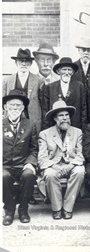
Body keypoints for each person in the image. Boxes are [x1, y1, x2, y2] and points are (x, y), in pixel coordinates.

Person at [38, 100, 85, 220]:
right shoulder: (45, 134)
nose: (64, 118)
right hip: (54, 166)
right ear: (54, 118)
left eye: (66, 115)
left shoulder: (77, 132)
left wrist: (70, 166)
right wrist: (55, 166)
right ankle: (57, 209)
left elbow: (80, 154)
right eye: (61, 115)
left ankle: (68, 208)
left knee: (80, 171)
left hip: (71, 165)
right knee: (49, 174)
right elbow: (42, 157)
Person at [2, 90, 38, 226]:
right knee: (3, 176)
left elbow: (34, 149)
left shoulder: (30, 124)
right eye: (11, 105)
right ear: (5, 107)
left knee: (29, 175)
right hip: (4, 165)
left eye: (18, 105)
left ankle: (23, 209)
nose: (15, 108)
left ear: (23, 108)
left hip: (23, 164)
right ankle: (9, 210)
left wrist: (30, 163)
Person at [41, 57, 87, 130]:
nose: (66, 72)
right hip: (55, 127)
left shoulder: (79, 86)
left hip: (75, 127)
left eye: (69, 70)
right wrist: (46, 129)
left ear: (73, 72)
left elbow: (83, 110)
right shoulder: (50, 87)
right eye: (64, 69)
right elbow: (45, 110)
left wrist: (83, 130)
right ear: (58, 71)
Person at [3, 48, 43, 133]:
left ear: (31, 63)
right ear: (16, 63)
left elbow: (43, 104)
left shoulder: (39, 81)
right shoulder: (7, 81)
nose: (24, 64)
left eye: (27, 61)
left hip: (32, 120)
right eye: (21, 61)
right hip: (12, 119)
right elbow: (2, 103)